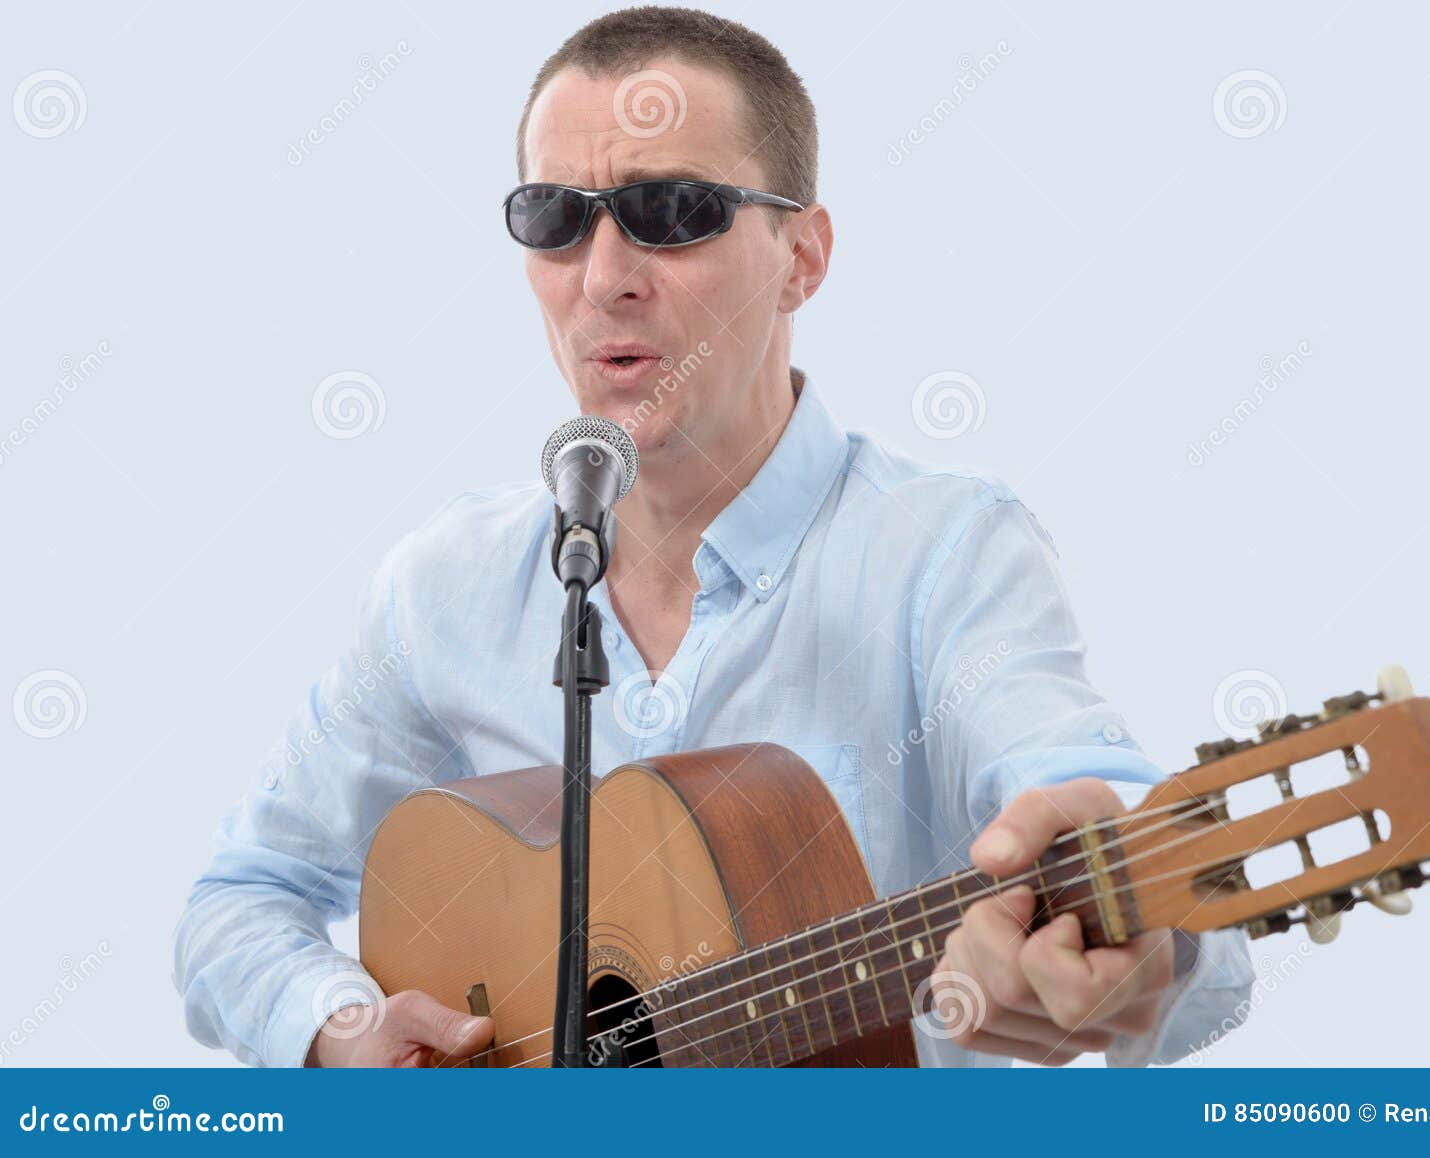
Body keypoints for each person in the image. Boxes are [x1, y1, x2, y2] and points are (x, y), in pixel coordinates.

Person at [174, 5, 1254, 1069]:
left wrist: (1149, 943)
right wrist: (340, 1030)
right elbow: (240, 897)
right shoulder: (441, 585)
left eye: (672, 210)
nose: (603, 277)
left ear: (803, 255)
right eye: (556, 217)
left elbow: (1089, 796)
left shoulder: (946, 552)